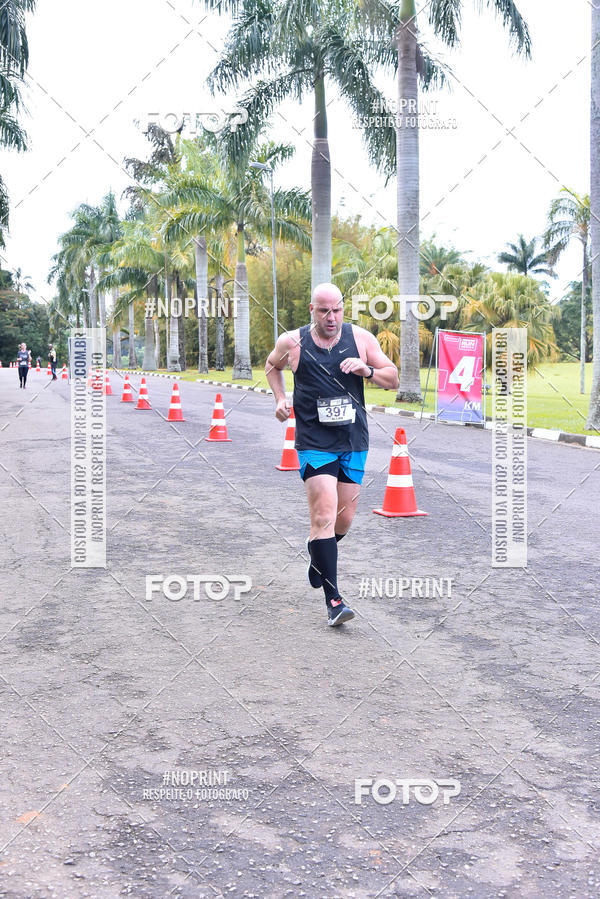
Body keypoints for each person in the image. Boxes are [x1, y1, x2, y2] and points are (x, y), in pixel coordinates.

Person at [265, 283, 399, 626]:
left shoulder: (361, 339)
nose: (331, 317)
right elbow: (271, 366)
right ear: (312, 309)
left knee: (343, 519)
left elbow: (393, 378)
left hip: (353, 439)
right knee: (323, 514)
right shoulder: (293, 342)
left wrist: (365, 370)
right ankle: (334, 601)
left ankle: (318, 555)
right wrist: (280, 399)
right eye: (324, 310)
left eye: (337, 310)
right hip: (314, 439)